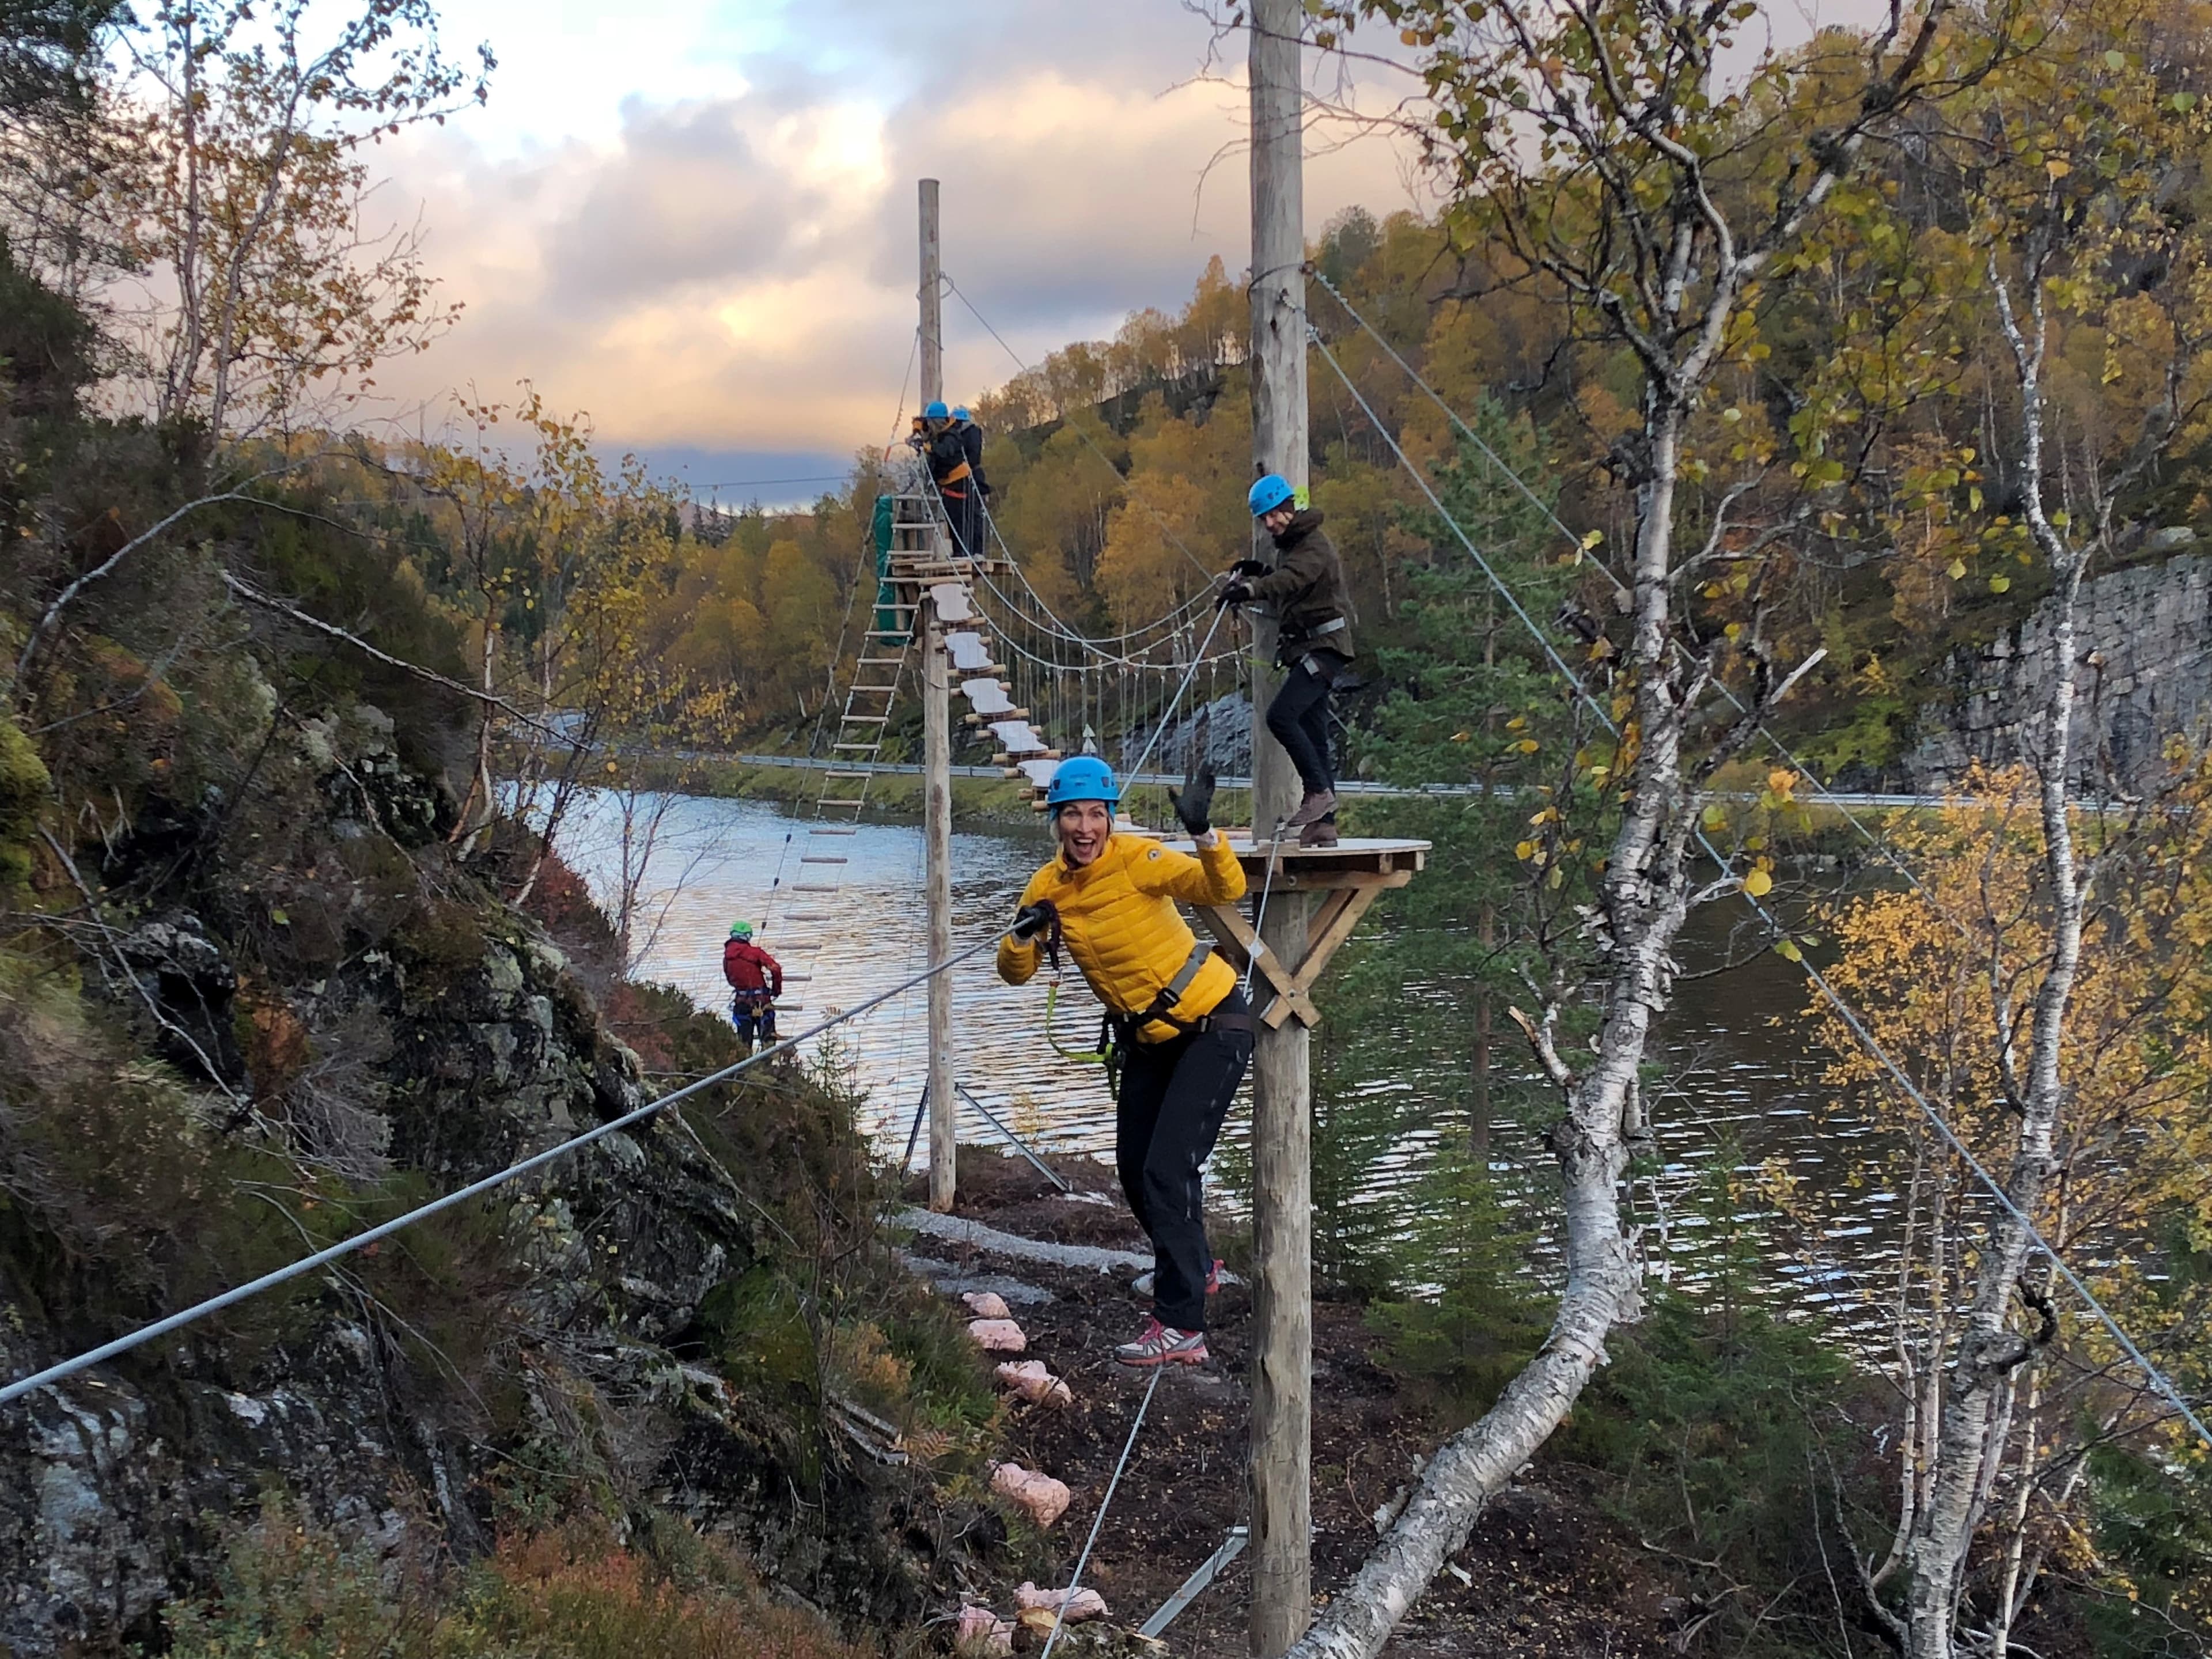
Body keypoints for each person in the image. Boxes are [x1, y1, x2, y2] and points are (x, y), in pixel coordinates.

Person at [998, 755, 1252, 1368]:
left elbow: (1225, 889)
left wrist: (1204, 834)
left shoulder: (1140, 859)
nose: (1085, 828)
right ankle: (1195, 1266)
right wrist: (1023, 934)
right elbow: (1013, 974)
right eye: (1072, 816)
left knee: (1168, 1169)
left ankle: (1181, 1324)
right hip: (1146, 1040)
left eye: (1096, 815)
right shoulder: (1046, 887)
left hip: (1212, 1025)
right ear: (1056, 820)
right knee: (1135, 1170)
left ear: (1110, 818)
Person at [1217, 474, 1357, 847]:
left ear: (1289, 507)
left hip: (1325, 648)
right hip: (1310, 649)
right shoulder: (1293, 546)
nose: (1269, 523)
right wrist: (1259, 572)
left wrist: (1249, 590)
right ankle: (1324, 824)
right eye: (1263, 518)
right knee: (1314, 734)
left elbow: (1292, 581)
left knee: (1280, 717)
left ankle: (1318, 793)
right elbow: (1287, 586)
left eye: (1273, 515)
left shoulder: (1313, 545)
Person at [908, 400, 983, 559]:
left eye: (930, 422)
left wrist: (926, 446)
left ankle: (963, 552)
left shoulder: (951, 436)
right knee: (952, 520)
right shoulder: (940, 433)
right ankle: (960, 551)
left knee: (959, 520)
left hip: (958, 484)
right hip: (948, 485)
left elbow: (943, 452)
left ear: (936, 422)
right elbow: (924, 427)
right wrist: (917, 430)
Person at [722, 921, 783, 1055]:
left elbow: (730, 980)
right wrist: (776, 990)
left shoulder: (727, 958)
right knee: (768, 1041)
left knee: (743, 1043)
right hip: (762, 1001)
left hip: (741, 1002)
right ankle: (768, 1065)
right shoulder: (755, 953)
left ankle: (745, 1066)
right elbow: (775, 969)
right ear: (748, 936)